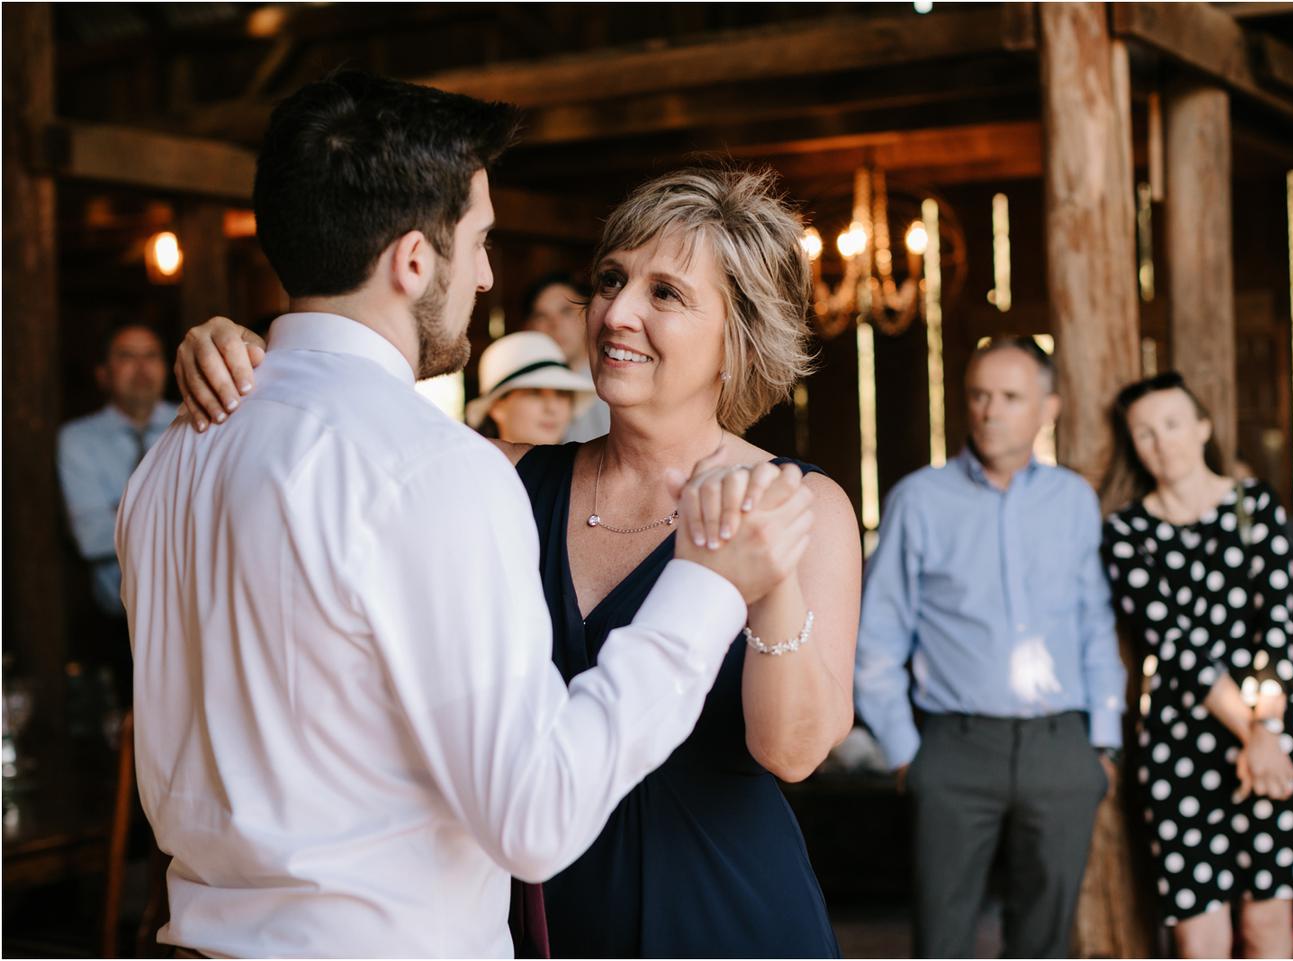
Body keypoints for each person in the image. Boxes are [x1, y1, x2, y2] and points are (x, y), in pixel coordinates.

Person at [123, 73, 814, 959]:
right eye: (479, 240)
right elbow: (535, 816)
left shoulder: (173, 457)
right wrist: (707, 586)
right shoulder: (437, 471)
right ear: (415, 260)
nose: (488, 272)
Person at [854, 336, 1127, 959]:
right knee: (942, 936)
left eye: (1009, 397)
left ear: (1047, 408)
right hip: (954, 748)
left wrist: (1102, 744)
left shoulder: (1074, 502)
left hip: (1062, 749)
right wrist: (906, 752)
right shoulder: (918, 500)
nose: (989, 410)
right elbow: (878, 638)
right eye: (979, 395)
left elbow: (1094, 624)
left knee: (1044, 939)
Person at [1099, 372, 1293, 958]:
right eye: (1145, 432)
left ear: (1202, 426)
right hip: (1184, 741)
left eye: (1172, 424)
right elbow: (1178, 648)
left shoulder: (1255, 507)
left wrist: (1268, 732)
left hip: (1276, 732)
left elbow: (1279, 629)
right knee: (1201, 937)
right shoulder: (1129, 533)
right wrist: (1252, 731)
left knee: (1266, 926)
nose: (1162, 442)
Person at [58, 323, 177, 620]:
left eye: (151, 356)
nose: (142, 368)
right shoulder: (78, 438)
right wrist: (176, 512)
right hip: (116, 618)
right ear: (103, 374)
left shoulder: (193, 423)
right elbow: (91, 537)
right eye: (126, 357)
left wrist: (119, 512)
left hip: (189, 609)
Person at [520, 271, 610, 443]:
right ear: (529, 327)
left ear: (589, 314)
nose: (555, 324)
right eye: (541, 316)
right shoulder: (522, 391)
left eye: (566, 311)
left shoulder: (615, 385)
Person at [463, 330, 594, 445]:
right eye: (535, 393)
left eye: (561, 394)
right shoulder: (474, 472)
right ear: (497, 406)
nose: (551, 408)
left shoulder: (585, 471)